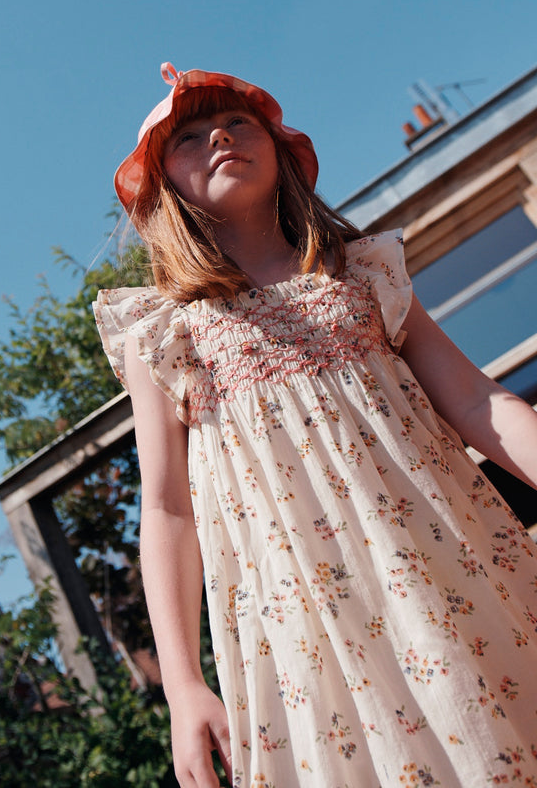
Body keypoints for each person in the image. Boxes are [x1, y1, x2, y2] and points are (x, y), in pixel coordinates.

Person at [93, 62, 537, 788]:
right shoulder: (165, 331)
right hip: (306, 622)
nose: (221, 138)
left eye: (238, 123)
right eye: (191, 136)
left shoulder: (362, 276)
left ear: (278, 147)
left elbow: (480, 402)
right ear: (163, 185)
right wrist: (182, 685)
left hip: (444, 569)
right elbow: (169, 509)